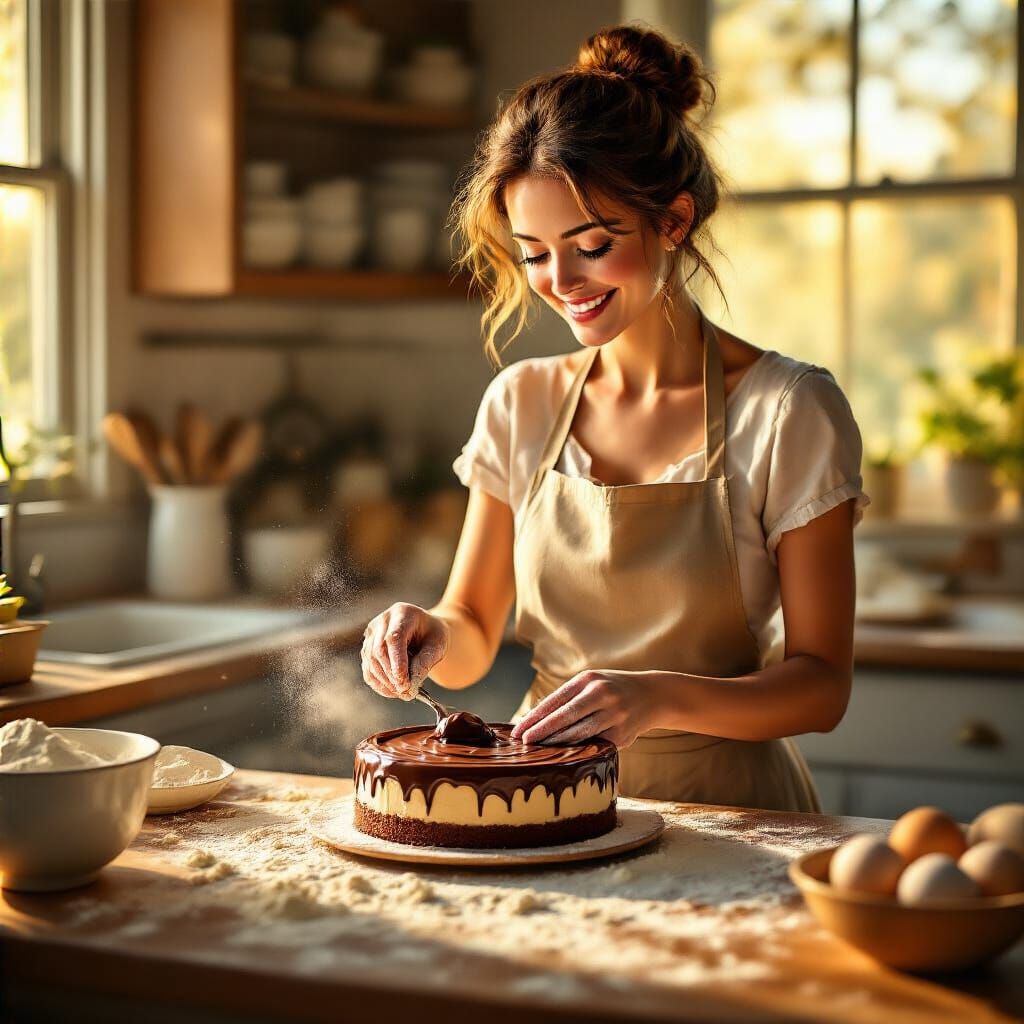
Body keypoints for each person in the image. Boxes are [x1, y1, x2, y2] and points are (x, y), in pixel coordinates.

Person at [360, 24, 869, 811]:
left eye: (592, 245)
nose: (560, 281)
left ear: (673, 221)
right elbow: (472, 632)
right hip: (541, 802)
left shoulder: (789, 410)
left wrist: (660, 698)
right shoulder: (521, 403)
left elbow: (820, 688)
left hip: (732, 812)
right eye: (532, 252)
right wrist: (426, 634)